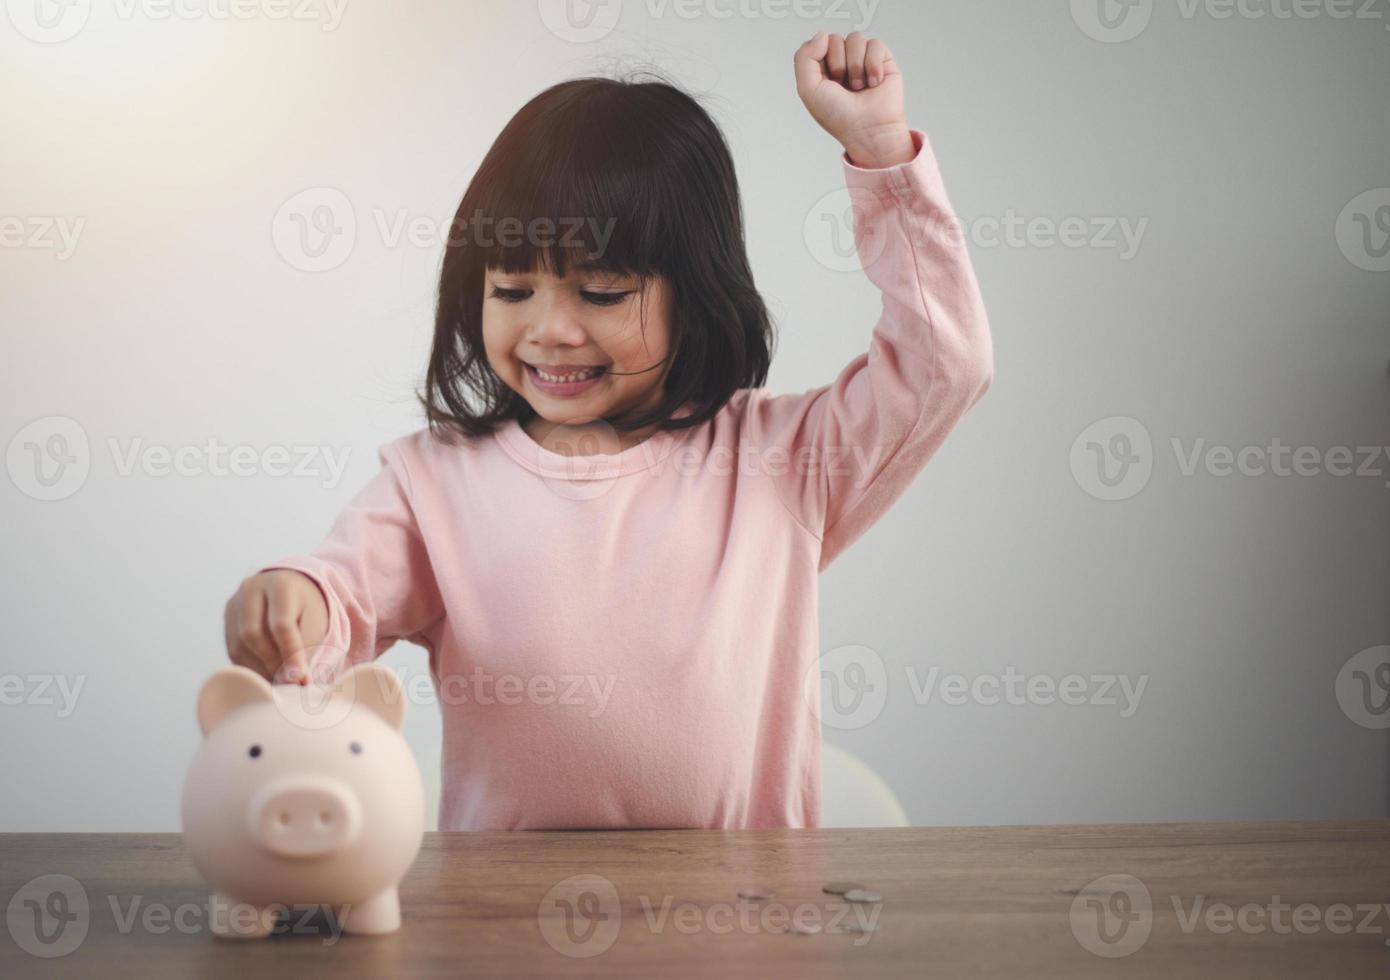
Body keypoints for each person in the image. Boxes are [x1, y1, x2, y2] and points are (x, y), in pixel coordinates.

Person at [224, 33, 993, 831]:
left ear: (695, 297)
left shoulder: (781, 462)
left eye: (599, 292)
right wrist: (292, 603)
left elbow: (947, 361)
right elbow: (339, 599)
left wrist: (880, 156)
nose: (550, 330)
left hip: (740, 928)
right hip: (501, 936)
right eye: (512, 288)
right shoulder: (434, 483)